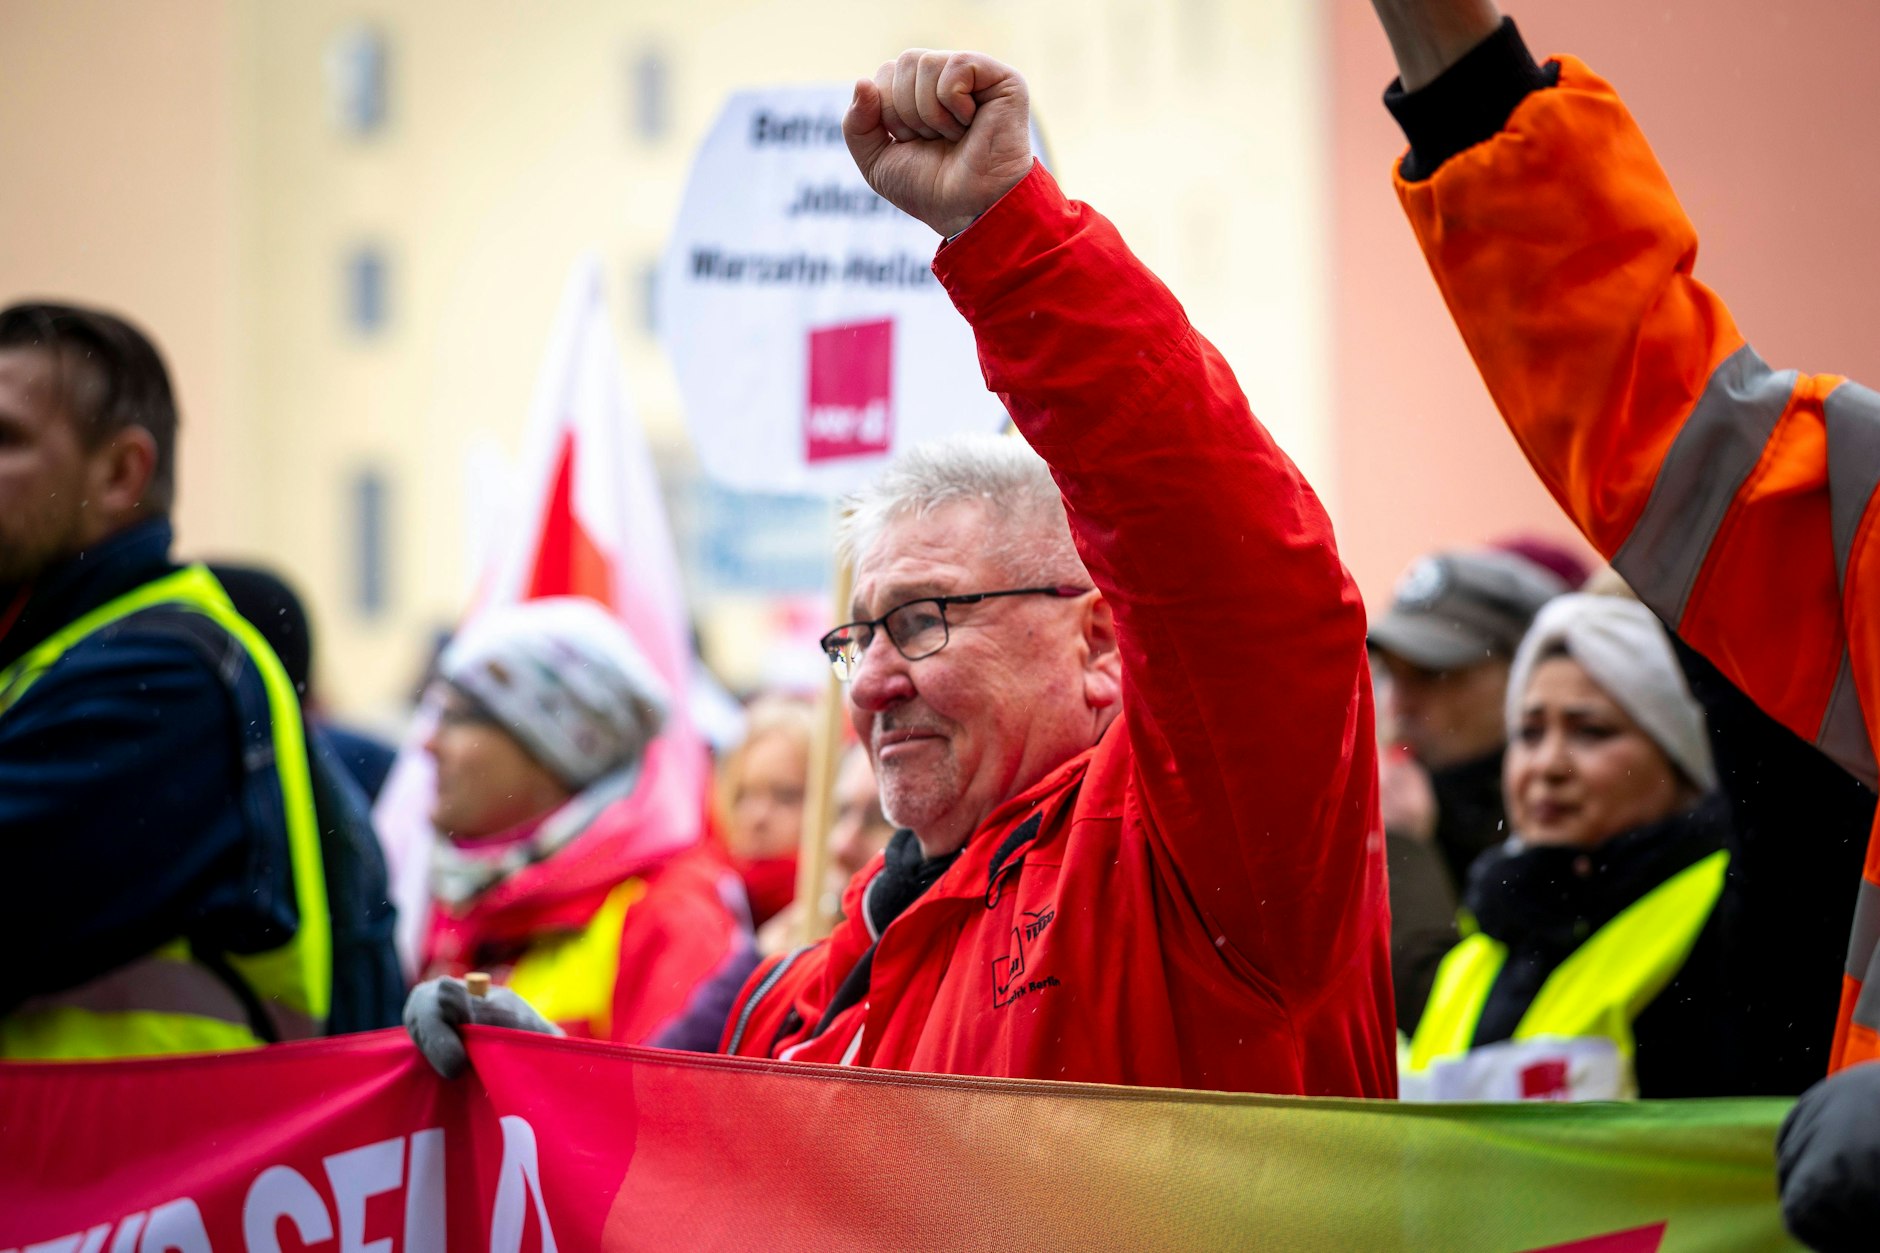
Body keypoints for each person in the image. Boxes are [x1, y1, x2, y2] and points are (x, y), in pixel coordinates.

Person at [410, 49, 1395, 1095]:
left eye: (923, 618)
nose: (872, 683)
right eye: (858, 634)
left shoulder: (1190, 873)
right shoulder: (817, 979)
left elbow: (1236, 575)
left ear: (1098, 640)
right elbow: (703, 1174)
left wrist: (1009, 239)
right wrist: (534, 1084)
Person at [0, 302, 336, 1057]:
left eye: (6, 439)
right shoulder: (48, 662)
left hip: (143, 1169)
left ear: (122, 473)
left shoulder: (169, 677)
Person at [412, 597, 747, 1054]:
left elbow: (673, 1113)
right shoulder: (458, 898)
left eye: (458, 717)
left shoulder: (667, 915)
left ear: (551, 749)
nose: (428, 743)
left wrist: (540, 1064)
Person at [1370, 547, 1567, 886]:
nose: (1398, 706)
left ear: (1523, 673)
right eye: (1389, 673)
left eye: (1431, 673)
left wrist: (1408, 858)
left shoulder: (1564, 820)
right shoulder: (1392, 806)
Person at [714, 693, 813, 928]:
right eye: (743, 794)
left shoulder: (840, 915)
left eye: (785, 796)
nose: (757, 817)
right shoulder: (709, 904)